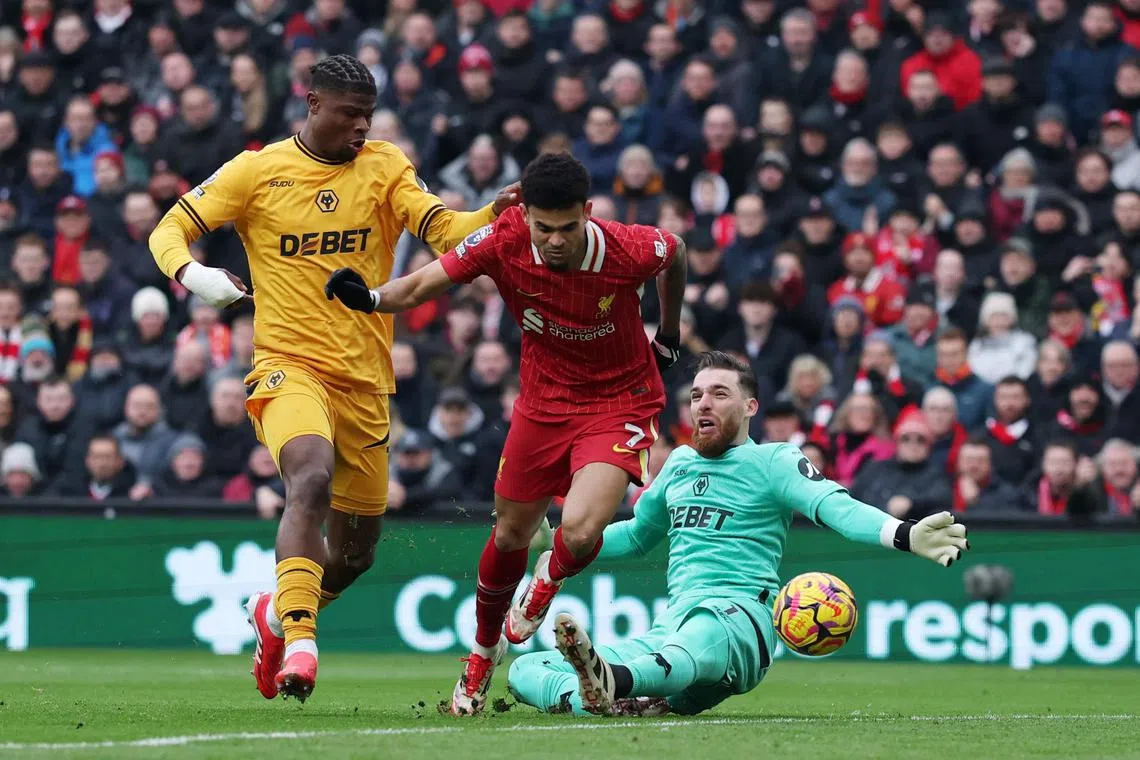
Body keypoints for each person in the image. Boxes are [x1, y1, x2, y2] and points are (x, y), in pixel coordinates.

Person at [147, 53, 521, 704]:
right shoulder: (257, 171)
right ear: (313, 104)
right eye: (350, 115)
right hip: (287, 366)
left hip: (366, 383)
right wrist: (195, 275)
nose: (361, 127)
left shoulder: (386, 166)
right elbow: (169, 228)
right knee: (310, 477)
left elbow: (444, 232)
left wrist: (494, 212)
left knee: (353, 557)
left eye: (368, 116)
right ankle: (301, 643)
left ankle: (274, 613)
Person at [324, 151, 687, 715]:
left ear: (588, 213)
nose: (555, 241)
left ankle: (547, 580)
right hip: (542, 405)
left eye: (568, 228)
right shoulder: (505, 237)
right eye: (544, 228)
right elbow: (421, 286)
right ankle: (481, 655)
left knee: (581, 531)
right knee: (511, 533)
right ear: (526, 216)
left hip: (620, 401)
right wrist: (370, 298)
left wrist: (669, 332)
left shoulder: (627, 248)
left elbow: (676, 251)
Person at [506, 351, 969, 716]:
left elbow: (836, 508)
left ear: (750, 407)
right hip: (672, 625)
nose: (703, 403)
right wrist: (562, 542)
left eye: (719, 394)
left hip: (741, 619)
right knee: (527, 669)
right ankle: (604, 697)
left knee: (698, 635)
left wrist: (904, 534)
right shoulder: (679, 465)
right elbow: (636, 536)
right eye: (696, 395)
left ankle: (617, 681)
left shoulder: (774, 462)